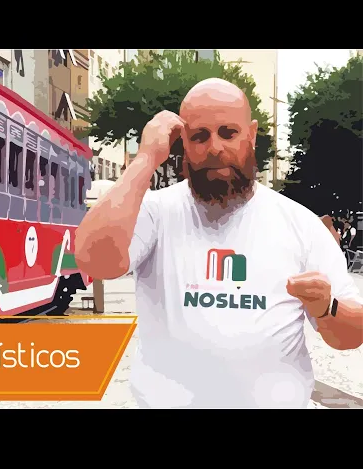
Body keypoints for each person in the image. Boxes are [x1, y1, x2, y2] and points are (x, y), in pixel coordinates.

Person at [75, 78, 363, 409]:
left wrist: (327, 307)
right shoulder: (157, 212)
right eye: (199, 136)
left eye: (228, 133)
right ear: (183, 142)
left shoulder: (300, 224)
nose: (214, 147)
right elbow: (93, 261)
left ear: (251, 134)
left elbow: (352, 336)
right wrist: (146, 158)